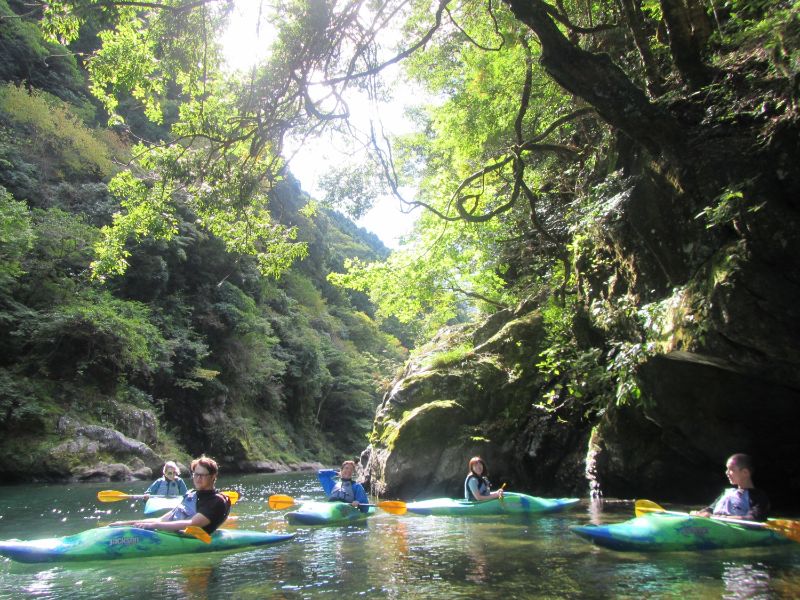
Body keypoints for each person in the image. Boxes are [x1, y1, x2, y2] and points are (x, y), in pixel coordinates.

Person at [111, 456, 231, 534]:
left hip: (190, 538)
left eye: (202, 475)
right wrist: (126, 524)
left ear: (213, 477)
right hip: (171, 533)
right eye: (196, 474)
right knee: (122, 526)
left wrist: (153, 526)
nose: (198, 478)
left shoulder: (216, 501)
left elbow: (192, 523)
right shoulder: (191, 495)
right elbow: (162, 519)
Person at [690, 453, 770, 521]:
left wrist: (716, 517)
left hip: (733, 528)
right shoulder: (727, 492)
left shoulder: (758, 496)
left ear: (745, 472)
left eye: (731, 469)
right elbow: (710, 509)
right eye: (727, 469)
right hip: (716, 523)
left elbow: (753, 518)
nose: (726, 472)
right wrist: (699, 513)